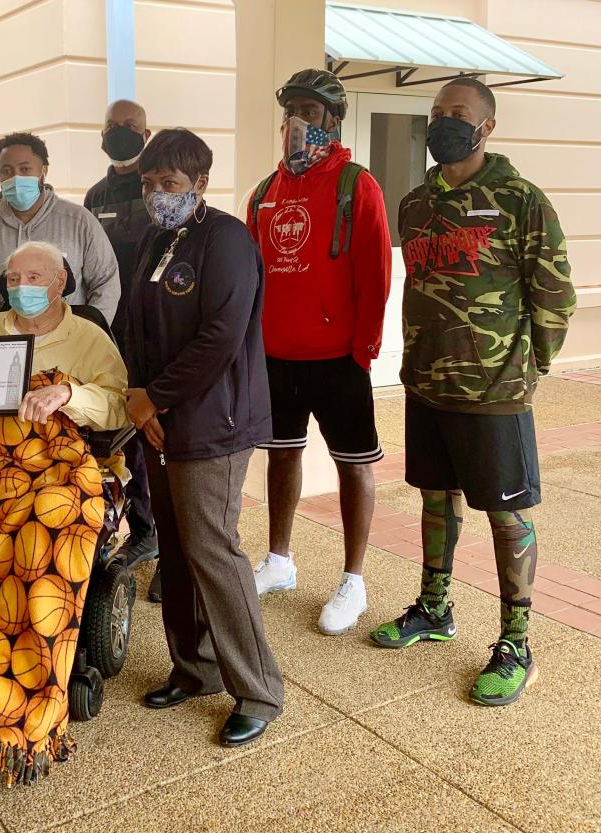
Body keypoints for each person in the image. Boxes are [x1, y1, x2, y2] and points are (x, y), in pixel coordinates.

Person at [370, 78, 577, 706]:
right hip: (429, 384)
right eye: (436, 114)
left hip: (494, 391)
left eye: (456, 114)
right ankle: (435, 607)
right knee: (437, 499)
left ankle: (517, 640)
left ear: (486, 126)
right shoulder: (415, 204)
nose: (442, 122)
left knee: (506, 513)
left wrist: (526, 368)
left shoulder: (521, 201)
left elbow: (556, 297)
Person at [126, 128, 284, 748]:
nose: (157, 194)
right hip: (158, 417)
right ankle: (195, 669)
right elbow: (133, 328)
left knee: (214, 550)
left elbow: (222, 335)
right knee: (177, 547)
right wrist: (141, 403)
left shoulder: (229, 240)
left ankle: (259, 689)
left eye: (168, 183)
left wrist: (154, 397)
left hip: (214, 420)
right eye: (149, 183)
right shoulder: (156, 240)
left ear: (199, 183)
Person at [247, 68, 392, 636]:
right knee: (282, 455)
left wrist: (365, 350)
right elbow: (253, 275)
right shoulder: (266, 191)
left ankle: (353, 578)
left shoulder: (358, 184)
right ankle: (279, 561)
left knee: (353, 465)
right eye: (291, 113)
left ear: (333, 120)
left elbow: (376, 274)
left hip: (339, 359)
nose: (297, 124)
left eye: (310, 112)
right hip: (275, 356)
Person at [0, 240, 127, 431]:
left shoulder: (90, 337)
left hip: (62, 454)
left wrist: (69, 394)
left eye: (34, 277)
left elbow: (120, 407)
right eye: (13, 279)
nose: (22, 287)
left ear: (60, 280)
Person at [84, 99, 160, 596]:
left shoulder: (158, 185)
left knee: (158, 439)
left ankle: (170, 544)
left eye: (130, 126)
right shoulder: (95, 195)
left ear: (146, 132)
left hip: (155, 333)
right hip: (111, 335)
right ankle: (143, 532)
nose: (121, 133)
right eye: (113, 126)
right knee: (120, 440)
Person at [0, 132, 121, 334]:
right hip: (4, 349)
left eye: (25, 169)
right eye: (6, 170)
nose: (16, 177)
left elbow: (106, 283)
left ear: (43, 171)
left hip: (68, 345)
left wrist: (84, 335)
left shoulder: (80, 222)